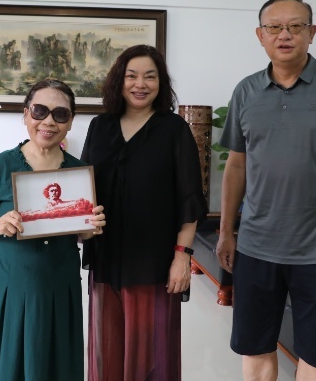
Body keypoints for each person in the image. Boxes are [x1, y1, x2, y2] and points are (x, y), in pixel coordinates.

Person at [216, 0, 316, 381]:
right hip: (255, 246)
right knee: (255, 348)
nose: (284, 35)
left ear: (312, 32)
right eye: (274, 27)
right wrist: (225, 231)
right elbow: (236, 166)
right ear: (260, 35)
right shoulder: (245, 91)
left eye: (295, 26)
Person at [0, 79, 106, 381]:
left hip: (58, 287)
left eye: (60, 114)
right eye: (40, 111)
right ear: (26, 114)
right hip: (7, 288)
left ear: (70, 122)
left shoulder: (79, 174)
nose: (49, 121)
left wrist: (92, 226)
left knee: (53, 366)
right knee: (3, 367)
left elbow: (82, 234)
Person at [81, 45, 207, 381]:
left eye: (150, 77)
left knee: (150, 353)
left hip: (155, 261)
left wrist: (182, 256)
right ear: (118, 81)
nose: (140, 84)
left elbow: (189, 199)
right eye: (132, 76)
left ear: (160, 83)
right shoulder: (100, 126)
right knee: (106, 349)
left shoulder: (174, 129)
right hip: (107, 258)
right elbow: (83, 189)